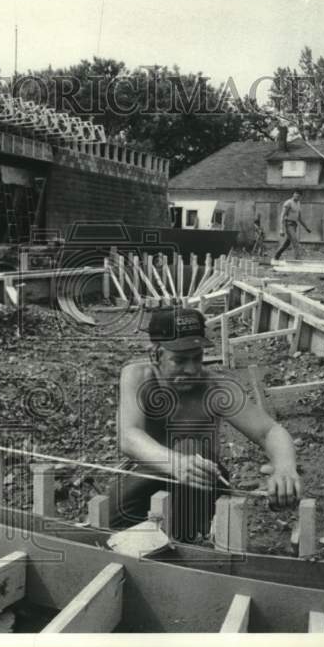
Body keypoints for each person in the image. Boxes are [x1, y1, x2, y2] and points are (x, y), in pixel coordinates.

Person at [112, 307, 301, 542]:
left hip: (199, 490)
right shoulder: (138, 377)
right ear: (156, 355)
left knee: (192, 447)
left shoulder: (216, 388)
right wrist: (176, 463)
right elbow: (129, 436)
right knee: (111, 528)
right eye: (180, 361)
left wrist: (284, 468)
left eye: (197, 358)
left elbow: (269, 431)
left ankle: (191, 541)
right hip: (147, 479)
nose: (191, 369)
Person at [273, 191, 312, 261]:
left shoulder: (298, 204)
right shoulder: (288, 203)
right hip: (288, 224)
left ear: (300, 197)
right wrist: (281, 229)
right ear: (293, 195)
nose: (296, 197)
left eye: (298, 196)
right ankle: (298, 258)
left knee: (286, 244)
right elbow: (282, 216)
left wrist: (306, 228)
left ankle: (276, 256)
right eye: (295, 195)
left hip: (294, 225)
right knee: (295, 240)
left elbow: (299, 218)